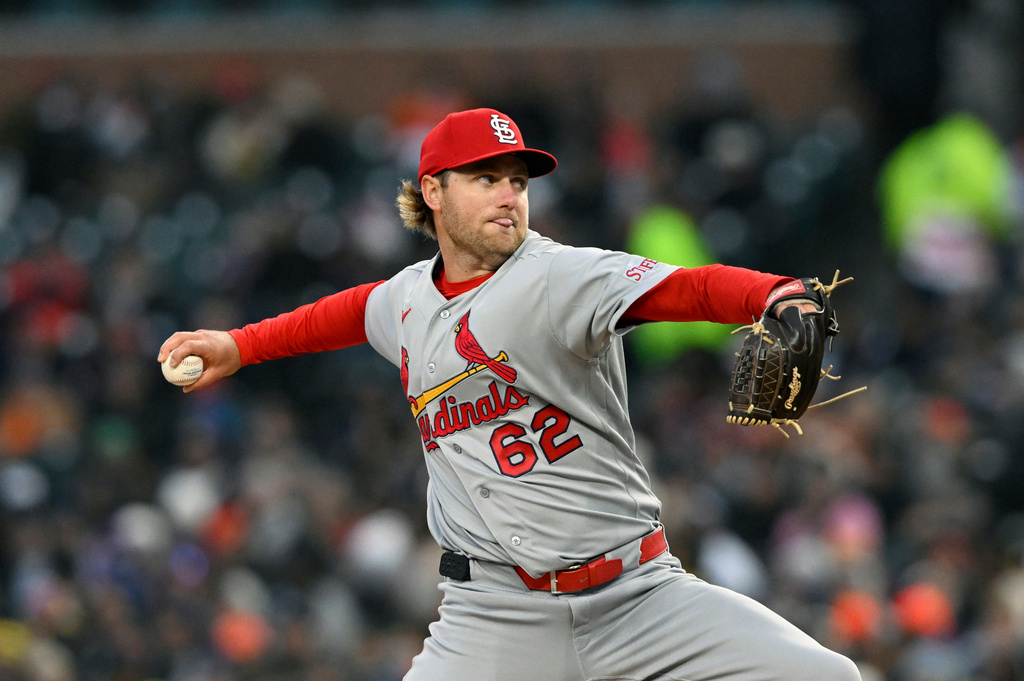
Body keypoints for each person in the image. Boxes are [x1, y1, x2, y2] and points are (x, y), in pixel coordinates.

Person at [159, 108, 861, 681]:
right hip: (494, 615)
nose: (509, 195)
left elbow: (689, 287)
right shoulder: (404, 301)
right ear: (432, 191)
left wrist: (773, 293)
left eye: (517, 181)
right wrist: (240, 344)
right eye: (486, 177)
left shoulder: (558, 277)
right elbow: (342, 313)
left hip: (639, 597)